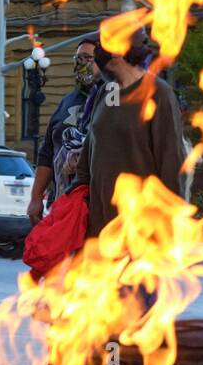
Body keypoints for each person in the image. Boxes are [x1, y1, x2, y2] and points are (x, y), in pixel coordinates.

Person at [72, 27, 188, 237]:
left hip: (140, 230)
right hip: (98, 230)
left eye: (100, 47)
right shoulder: (107, 93)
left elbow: (171, 160)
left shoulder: (158, 93)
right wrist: (76, 196)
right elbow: (90, 153)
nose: (96, 54)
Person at [28, 33, 101, 223]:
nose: (81, 64)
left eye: (88, 58)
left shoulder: (112, 98)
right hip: (62, 203)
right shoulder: (67, 102)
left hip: (95, 206)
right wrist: (36, 197)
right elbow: (47, 152)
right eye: (78, 58)